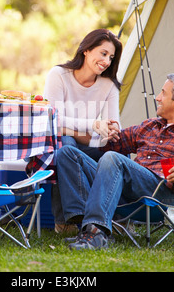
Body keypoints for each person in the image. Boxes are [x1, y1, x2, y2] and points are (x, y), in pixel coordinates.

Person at [56, 73, 174, 250]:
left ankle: (96, 233)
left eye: (163, 93)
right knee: (68, 153)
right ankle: (85, 228)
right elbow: (108, 144)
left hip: (163, 195)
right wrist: (93, 129)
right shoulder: (149, 126)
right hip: (128, 191)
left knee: (113, 159)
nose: (157, 97)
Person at [43, 29, 123, 234]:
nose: (106, 61)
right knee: (66, 144)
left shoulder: (109, 86)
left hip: (92, 147)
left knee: (116, 152)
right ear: (86, 50)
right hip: (58, 146)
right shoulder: (59, 75)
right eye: (103, 53)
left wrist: (108, 131)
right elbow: (51, 121)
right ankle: (74, 219)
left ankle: (108, 217)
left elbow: (113, 128)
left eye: (111, 57)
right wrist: (94, 126)